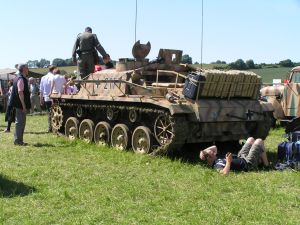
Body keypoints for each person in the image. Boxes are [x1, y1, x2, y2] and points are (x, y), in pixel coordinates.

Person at [199, 137, 269, 175]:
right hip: (247, 164)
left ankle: (260, 160)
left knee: (250, 139)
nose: (214, 152)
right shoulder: (217, 165)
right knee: (259, 141)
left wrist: (203, 152)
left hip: (241, 156)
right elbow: (224, 174)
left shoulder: (215, 158)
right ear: (209, 158)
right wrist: (228, 162)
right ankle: (267, 166)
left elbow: (214, 147)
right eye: (212, 153)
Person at [8, 63, 31, 146]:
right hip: (20, 104)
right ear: (24, 69)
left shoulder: (20, 78)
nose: (28, 69)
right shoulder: (20, 79)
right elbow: (20, 92)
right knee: (20, 122)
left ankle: (19, 140)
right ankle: (18, 141)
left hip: (19, 104)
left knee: (21, 122)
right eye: (27, 68)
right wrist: (24, 106)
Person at [40, 65, 56, 132]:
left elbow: (41, 90)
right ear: (53, 70)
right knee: (55, 113)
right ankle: (54, 127)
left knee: (49, 113)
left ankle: (50, 127)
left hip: (46, 98)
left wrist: (41, 99)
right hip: (53, 97)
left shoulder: (43, 77)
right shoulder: (54, 77)